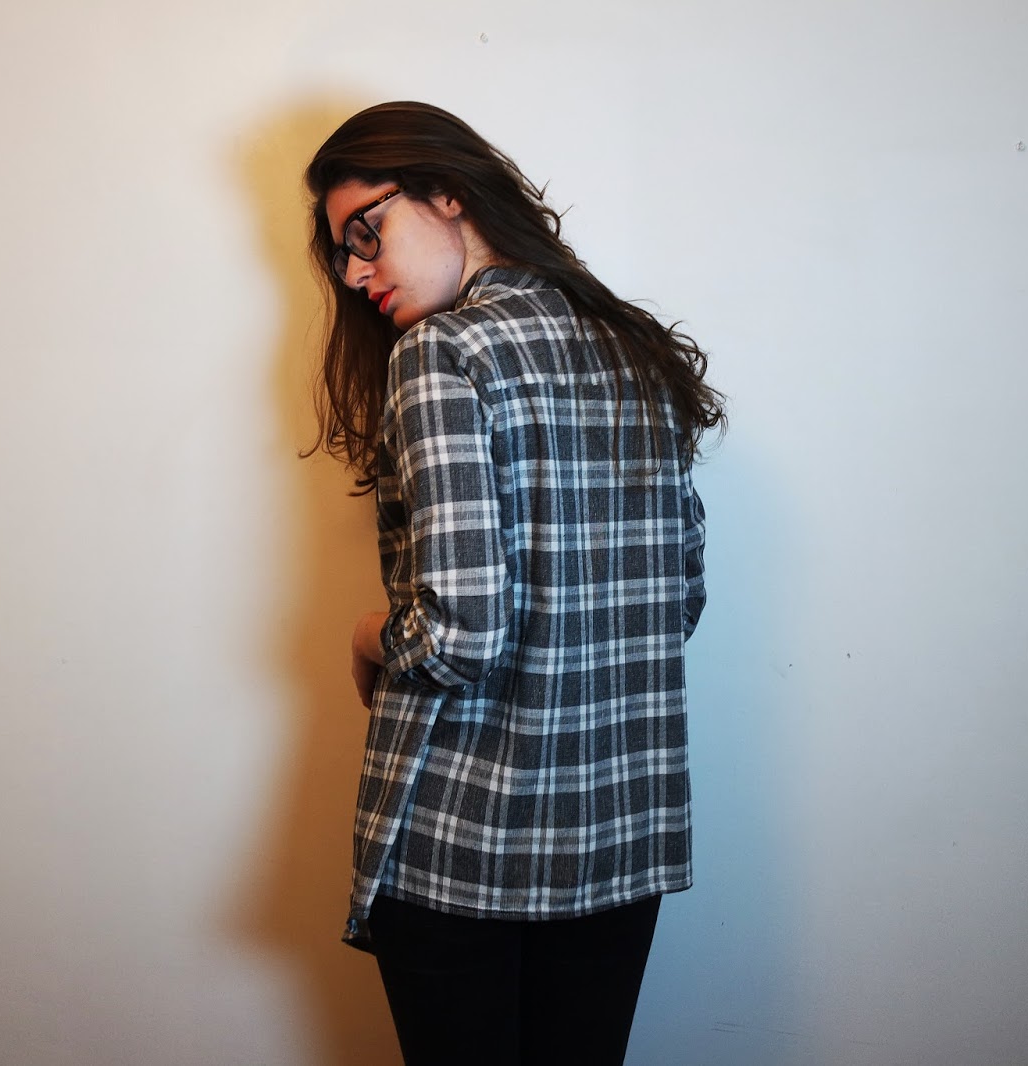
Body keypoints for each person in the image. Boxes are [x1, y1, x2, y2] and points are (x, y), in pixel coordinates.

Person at [303, 101, 725, 1066]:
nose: (357, 272)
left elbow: (460, 635)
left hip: (462, 849)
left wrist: (369, 635)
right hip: (619, 842)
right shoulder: (635, 352)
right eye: (341, 254)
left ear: (448, 191)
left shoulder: (442, 352)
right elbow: (679, 602)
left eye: (365, 230)